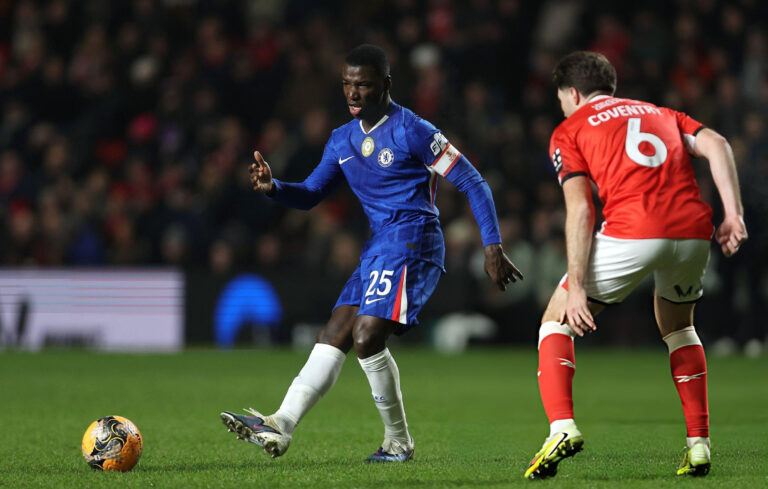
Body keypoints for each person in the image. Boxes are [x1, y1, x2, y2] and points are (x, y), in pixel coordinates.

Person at [220, 44, 523, 462]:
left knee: (366, 336)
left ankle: (398, 442)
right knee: (335, 333)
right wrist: (275, 187)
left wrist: (493, 246)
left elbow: (474, 183)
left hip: (414, 241)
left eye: (362, 84)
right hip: (379, 247)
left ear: (385, 84)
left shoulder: (414, 130)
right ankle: (281, 424)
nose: (353, 93)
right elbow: (310, 195)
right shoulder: (341, 139)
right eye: (347, 84)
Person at [523, 51, 748, 479]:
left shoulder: (569, 129)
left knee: (555, 321)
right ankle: (698, 444)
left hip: (634, 231)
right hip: (694, 231)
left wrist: (575, 287)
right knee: (680, 327)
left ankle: (562, 428)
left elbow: (581, 211)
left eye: (561, 99)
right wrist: (733, 214)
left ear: (571, 93)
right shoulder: (662, 112)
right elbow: (717, 143)